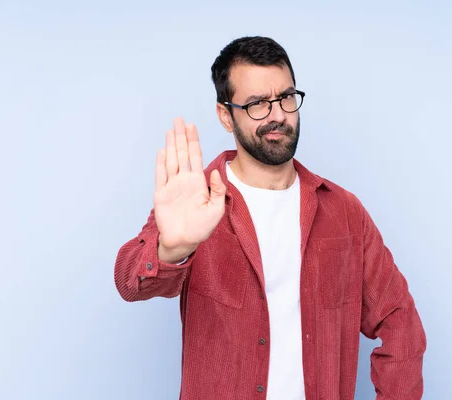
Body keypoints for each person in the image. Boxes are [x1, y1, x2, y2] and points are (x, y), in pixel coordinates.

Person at [114, 36, 426, 400]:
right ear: (225, 116)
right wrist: (173, 249)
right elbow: (129, 280)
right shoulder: (195, 202)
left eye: (286, 98)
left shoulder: (344, 212)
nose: (277, 114)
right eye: (258, 104)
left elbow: (399, 317)